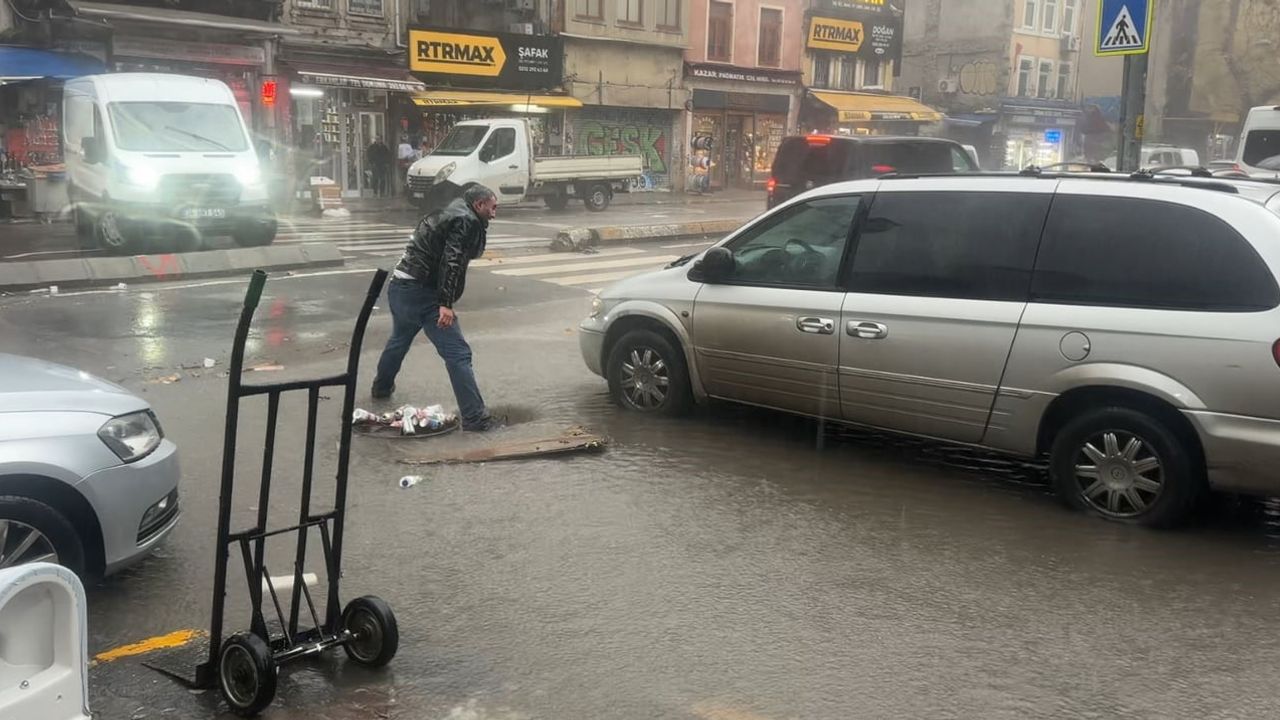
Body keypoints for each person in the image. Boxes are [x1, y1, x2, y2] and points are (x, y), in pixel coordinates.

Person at [372, 184, 499, 431]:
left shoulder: (452, 211)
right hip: (423, 293)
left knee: (400, 338)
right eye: (492, 208)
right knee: (458, 353)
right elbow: (452, 260)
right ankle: (475, 418)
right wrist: (445, 304)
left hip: (400, 286)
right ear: (479, 205)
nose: (494, 214)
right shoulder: (466, 220)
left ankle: (381, 388)